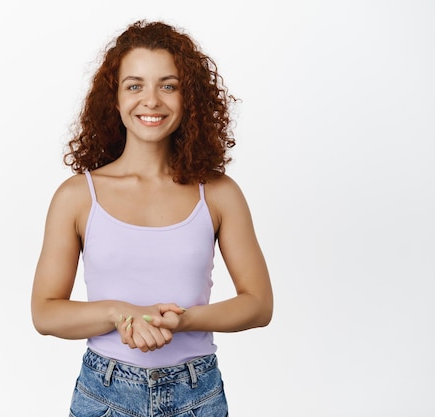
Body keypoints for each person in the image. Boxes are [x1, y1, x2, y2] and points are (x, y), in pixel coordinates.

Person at [31, 20, 273, 416]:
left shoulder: (218, 193)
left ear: (187, 96)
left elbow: (259, 304)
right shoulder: (76, 196)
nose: (151, 100)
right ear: (115, 97)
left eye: (168, 85)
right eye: (134, 85)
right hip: (105, 393)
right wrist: (117, 312)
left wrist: (185, 320)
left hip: (197, 393)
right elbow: (45, 311)